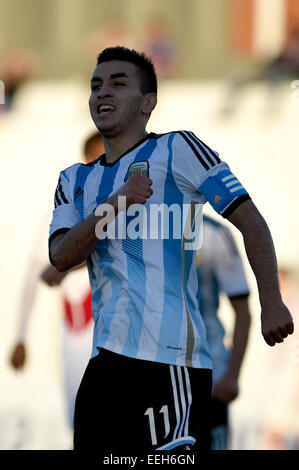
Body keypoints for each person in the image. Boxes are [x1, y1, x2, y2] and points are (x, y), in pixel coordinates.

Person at [48, 46, 294, 454]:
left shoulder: (178, 148)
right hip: (104, 368)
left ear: (149, 102)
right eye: (95, 85)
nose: (102, 93)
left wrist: (271, 299)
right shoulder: (74, 179)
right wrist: (115, 205)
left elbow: (250, 219)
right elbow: (60, 255)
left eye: (117, 83)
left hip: (169, 365)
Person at [10, 131, 104, 433]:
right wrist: (21, 335)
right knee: (81, 425)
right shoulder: (66, 212)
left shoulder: (136, 210)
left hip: (120, 336)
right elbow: (36, 273)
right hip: (77, 339)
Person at [196, 215, 251, 450]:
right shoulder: (138, 225)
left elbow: (243, 312)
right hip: (157, 373)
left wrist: (231, 376)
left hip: (209, 378)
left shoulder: (214, 233)